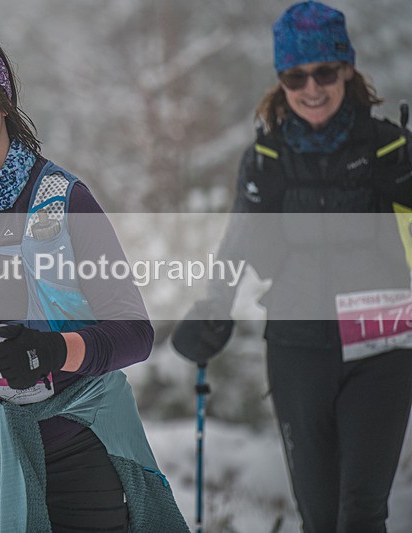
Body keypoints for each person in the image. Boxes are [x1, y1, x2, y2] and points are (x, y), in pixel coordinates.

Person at [0, 24, 189, 532]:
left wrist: (51, 352)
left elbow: (135, 333)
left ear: (1, 99)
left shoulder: (65, 202)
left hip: (77, 442)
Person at [172, 2, 412, 532]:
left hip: (382, 347)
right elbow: (237, 246)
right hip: (298, 348)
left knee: (361, 513)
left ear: (347, 69)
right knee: (319, 516)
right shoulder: (267, 159)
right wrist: (213, 309)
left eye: (325, 71)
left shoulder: (392, 148)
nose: (312, 87)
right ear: (282, 81)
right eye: (295, 75)